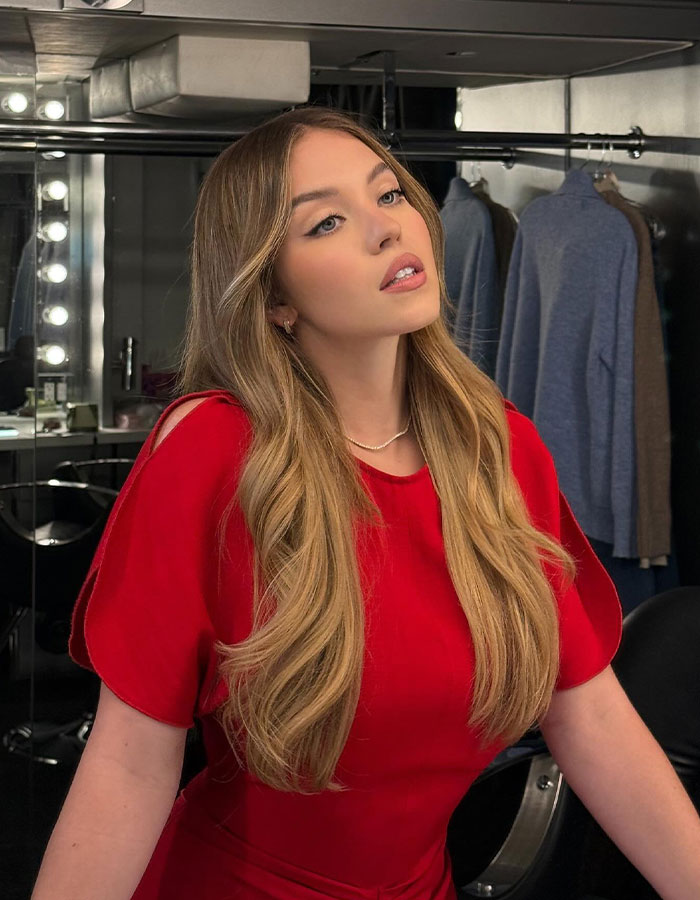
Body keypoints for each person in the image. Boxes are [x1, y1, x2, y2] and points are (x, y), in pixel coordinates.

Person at [32, 106, 700, 900]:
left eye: (390, 196)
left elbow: (586, 712)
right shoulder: (211, 452)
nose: (387, 230)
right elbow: (129, 763)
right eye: (326, 223)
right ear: (274, 296)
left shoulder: (502, 448)